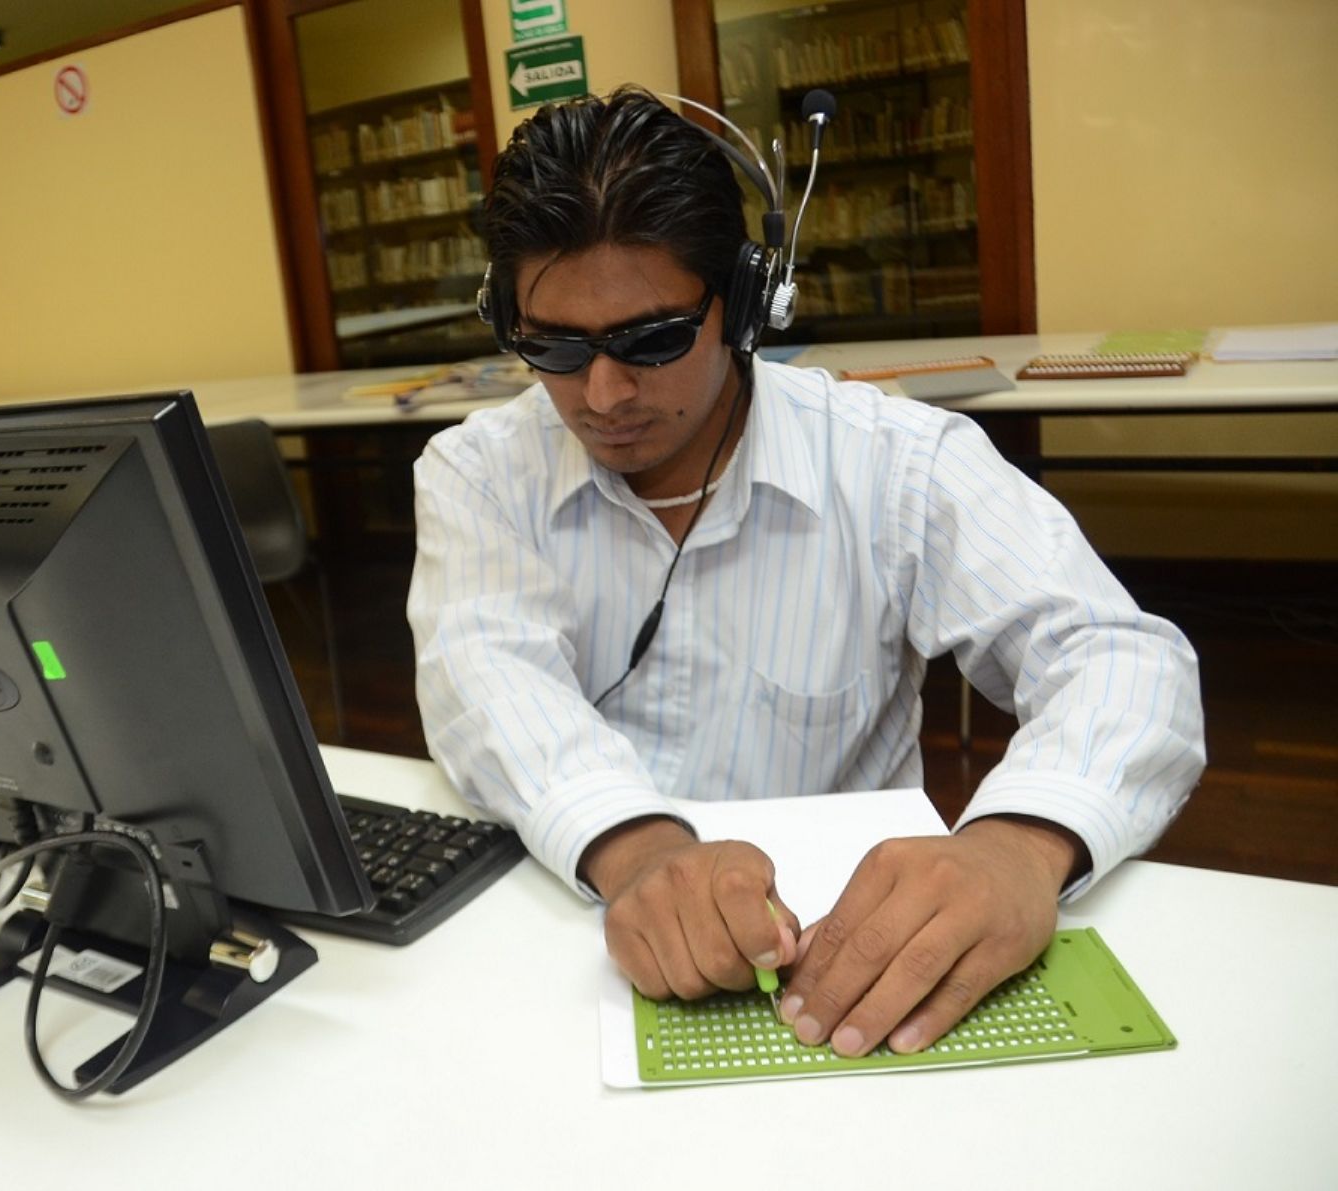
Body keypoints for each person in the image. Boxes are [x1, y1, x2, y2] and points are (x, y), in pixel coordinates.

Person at [406, 88, 1205, 1059]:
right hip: (574, 937)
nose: (603, 394)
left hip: (847, 952)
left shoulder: (898, 461)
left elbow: (1119, 658)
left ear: (747, 306)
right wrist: (639, 850)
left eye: (652, 342)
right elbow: (484, 680)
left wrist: (1019, 848)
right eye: (554, 348)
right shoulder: (480, 472)